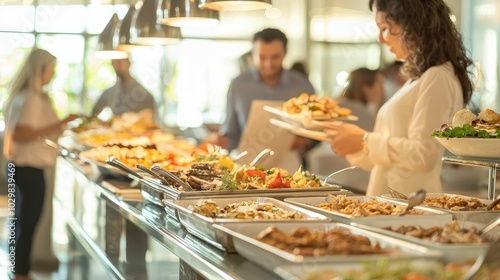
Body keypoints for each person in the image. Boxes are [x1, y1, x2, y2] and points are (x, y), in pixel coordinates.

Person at [329, 0, 474, 196]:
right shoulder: (419, 78)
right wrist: (342, 138)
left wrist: (364, 139)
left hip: (410, 206)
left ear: (412, 25)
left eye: (385, 28)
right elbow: (381, 159)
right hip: (390, 205)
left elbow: (423, 156)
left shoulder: (437, 76)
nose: (381, 39)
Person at [3, 48, 79, 280]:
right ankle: (21, 274)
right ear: (40, 69)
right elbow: (22, 132)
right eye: (51, 68)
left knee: (20, 222)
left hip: (20, 167)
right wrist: (60, 123)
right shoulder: (32, 98)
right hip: (28, 170)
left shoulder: (25, 95)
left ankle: (19, 270)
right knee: (27, 223)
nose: (53, 73)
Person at [218, 28, 315, 151]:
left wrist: (304, 140)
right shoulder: (238, 85)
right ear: (253, 54)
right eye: (262, 57)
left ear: (284, 54)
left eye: (275, 57)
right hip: (247, 161)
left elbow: (314, 135)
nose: (268, 64)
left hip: (291, 160)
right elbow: (230, 132)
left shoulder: (303, 87)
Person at [91, 58, 156, 117]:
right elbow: (93, 113)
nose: (117, 66)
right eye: (114, 63)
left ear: (129, 63)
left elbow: (153, 122)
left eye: (119, 62)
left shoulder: (143, 94)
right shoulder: (109, 93)